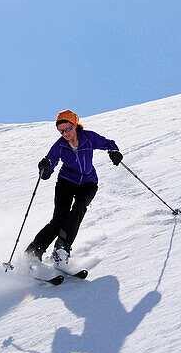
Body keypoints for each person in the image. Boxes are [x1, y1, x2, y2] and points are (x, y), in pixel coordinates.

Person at [25, 110, 123, 267]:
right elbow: (47, 171)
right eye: (61, 131)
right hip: (66, 181)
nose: (64, 134)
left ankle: (61, 249)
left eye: (67, 129)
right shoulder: (60, 145)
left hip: (88, 182)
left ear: (75, 125)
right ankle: (33, 252)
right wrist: (44, 167)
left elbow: (108, 143)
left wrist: (114, 151)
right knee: (59, 219)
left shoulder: (88, 137)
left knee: (79, 208)